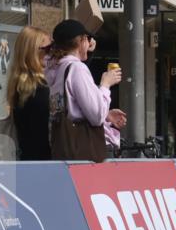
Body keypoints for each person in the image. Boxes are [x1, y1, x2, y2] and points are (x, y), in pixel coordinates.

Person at [44, 19, 122, 160]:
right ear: (82, 40)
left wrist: (107, 114)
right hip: (82, 151)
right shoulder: (77, 68)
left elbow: (74, 107)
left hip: (63, 145)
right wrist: (105, 85)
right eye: (87, 39)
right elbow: (97, 115)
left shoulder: (56, 69)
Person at [6, 26, 52, 160]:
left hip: (28, 161)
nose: (51, 54)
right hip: (43, 165)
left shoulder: (21, 85)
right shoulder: (39, 89)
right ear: (33, 52)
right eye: (48, 49)